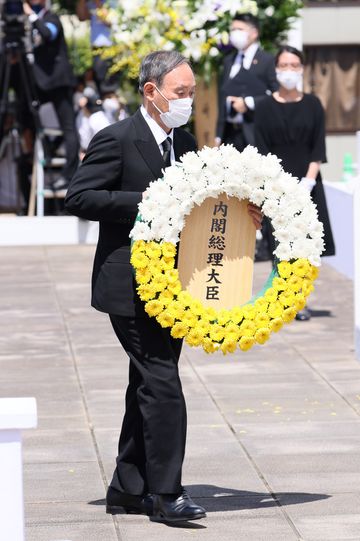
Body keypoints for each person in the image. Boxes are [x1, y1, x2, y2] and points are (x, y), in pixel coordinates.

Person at [65, 50, 262, 523]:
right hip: (129, 286)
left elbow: (203, 206)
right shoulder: (115, 138)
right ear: (151, 92)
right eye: (181, 92)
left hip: (175, 287)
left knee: (146, 383)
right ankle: (166, 494)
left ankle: (128, 487)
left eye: (192, 93)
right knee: (162, 383)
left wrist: (242, 213)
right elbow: (79, 196)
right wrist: (150, 202)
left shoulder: (187, 144)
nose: (188, 101)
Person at [255, 45, 335, 321]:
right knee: (280, 244)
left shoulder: (313, 104)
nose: (289, 71)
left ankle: (301, 300)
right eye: (284, 65)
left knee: (306, 246)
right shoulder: (264, 107)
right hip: (277, 188)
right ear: (276, 69)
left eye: (294, 65)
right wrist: (277, 187)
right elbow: (261, 150)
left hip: (308, 184)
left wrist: (308, 182)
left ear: (301, 69)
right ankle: (281, 300)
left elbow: (318, 148)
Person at [23, 0, 79, 192]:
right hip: (40, 84)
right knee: (25, 113)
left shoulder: (51, 18)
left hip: (60, 82)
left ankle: (69, 175)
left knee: (69, 127)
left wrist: (31, 15)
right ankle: (48, 148)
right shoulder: (28, 22)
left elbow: (47, 34)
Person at [215, 12, 278, 151]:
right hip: (230, 134)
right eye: (233, 30)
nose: (235, 33)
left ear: (254, 33)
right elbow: (221, 97)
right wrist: (218, 135)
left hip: (255, 133)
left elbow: (277, 95)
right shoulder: (228, 61)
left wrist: (249, 103)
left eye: (240, 29)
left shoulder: (267, 60)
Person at [76, 0, 120, 94]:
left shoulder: (111, 3)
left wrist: (98, 3)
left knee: (108, 86)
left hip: (109, 47)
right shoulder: (91, 3)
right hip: (96, 48)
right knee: (100, 82)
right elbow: (81, 17)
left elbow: (109, 21)